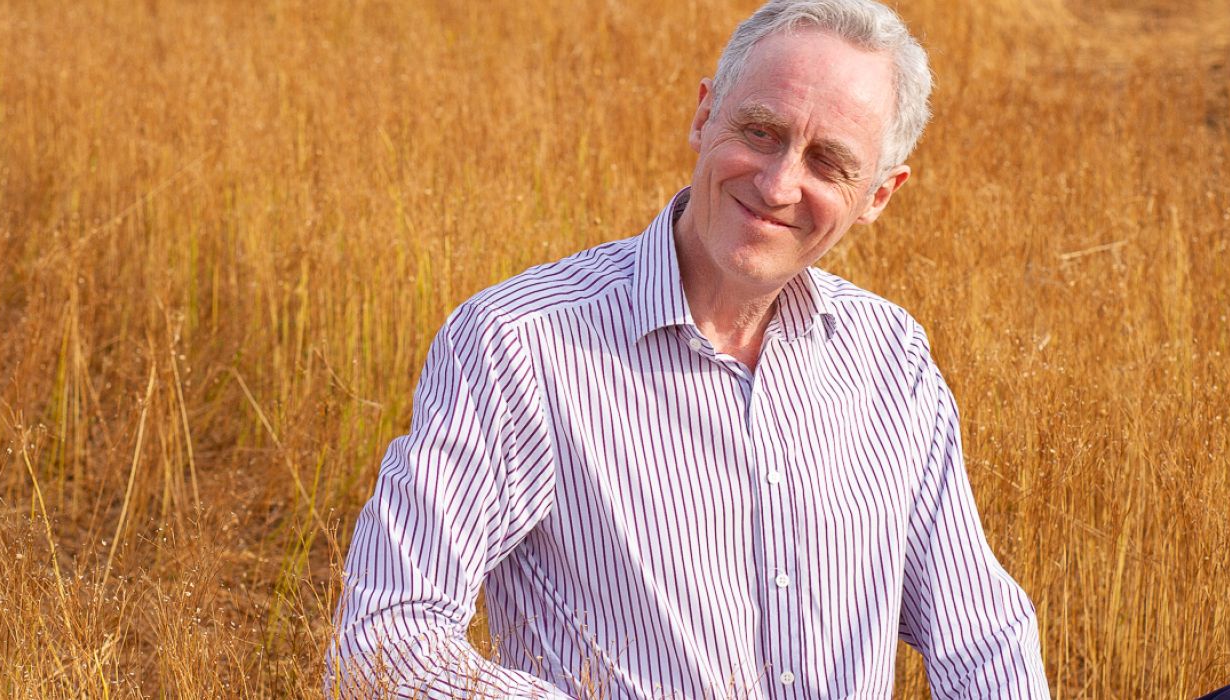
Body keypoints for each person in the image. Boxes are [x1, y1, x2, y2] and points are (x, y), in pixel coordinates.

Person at [324, 0, 1045, 696]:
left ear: (879, 196)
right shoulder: (519, 344)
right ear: (704, 115)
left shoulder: (890, 358)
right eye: (760, 131)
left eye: (828, 163)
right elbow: (385, 640)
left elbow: (980, 639)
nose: (778, 184)